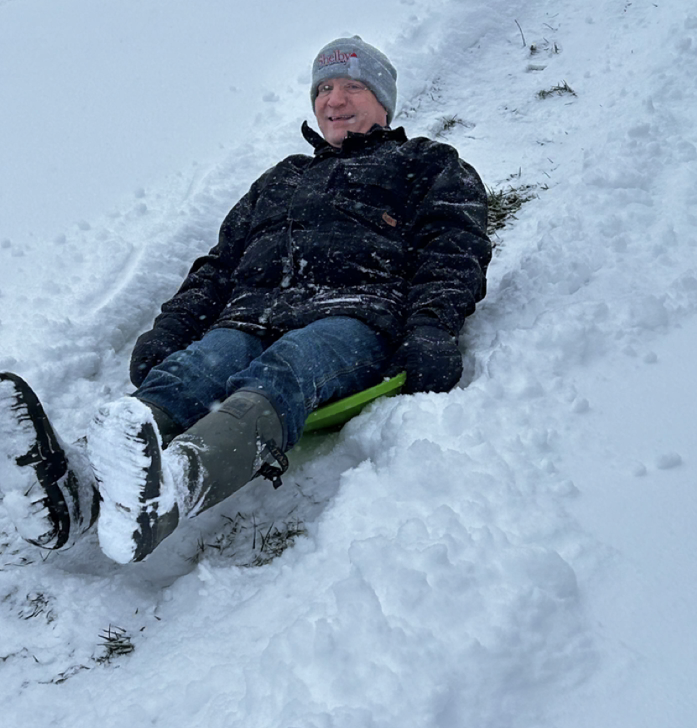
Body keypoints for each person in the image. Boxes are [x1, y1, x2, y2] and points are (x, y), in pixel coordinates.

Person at [0, 36, 492, 565]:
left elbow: (453, 249)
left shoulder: (426, 163)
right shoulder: (282, 179)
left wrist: (431, 328)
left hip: (353, 313)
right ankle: (79, 494)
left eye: (353, 86)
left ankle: (174, 488)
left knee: (290, 365)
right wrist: (174, 325)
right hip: (251, 317)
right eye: (324, 88)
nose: (334, 100)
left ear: (383, 100)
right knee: (193, 370)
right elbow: (218, 266)